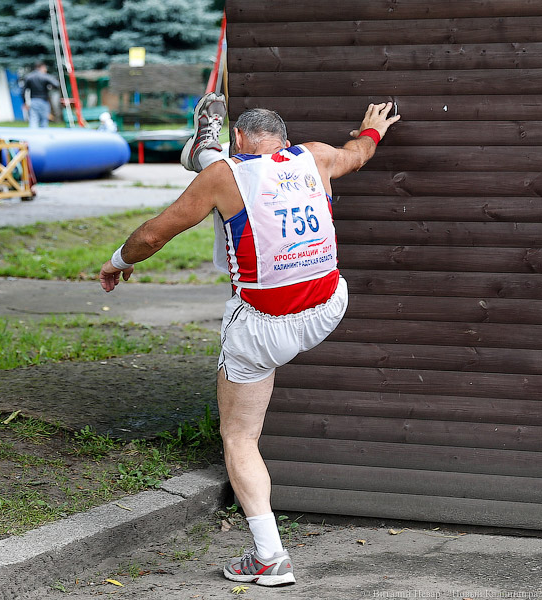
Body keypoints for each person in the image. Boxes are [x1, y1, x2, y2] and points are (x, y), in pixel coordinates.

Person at [98, 95, 400, 587]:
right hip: (326, 308)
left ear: (240, 141)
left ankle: (269, 558)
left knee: (240, 437)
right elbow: (359, 154)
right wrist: (373, 131)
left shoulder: (226, 174)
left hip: (262, 324)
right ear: (285, 140)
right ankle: (203, 148)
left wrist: (118, 262)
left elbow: (153, 237)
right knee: (230, 201)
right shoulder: (317, 155)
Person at [22, 62, 60, 128]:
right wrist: (49, 87)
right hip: (44, 101)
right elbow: (56, 84)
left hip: (33, 101)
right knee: (44, 121)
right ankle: (43, 136)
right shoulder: (45, 76)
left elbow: (23, 91)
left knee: (33, 120)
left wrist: (25, 101)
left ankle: (32, 136)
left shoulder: (29, 77)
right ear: (42, 67)